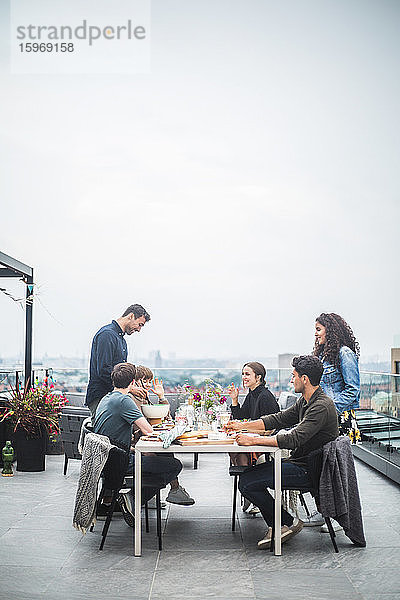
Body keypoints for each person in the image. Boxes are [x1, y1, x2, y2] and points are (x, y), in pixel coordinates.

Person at [225, 355, 339, 550]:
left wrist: (254, 439)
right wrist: (242, 425)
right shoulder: (306, 401)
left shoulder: (320, 406)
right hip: (300, 463)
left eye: (293, 376)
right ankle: (285, 522)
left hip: (309, 470)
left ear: (304, 379)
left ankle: (282, 524)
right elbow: (277, 419)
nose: (291, 380)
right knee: (246, 477)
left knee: (247, 482)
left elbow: (294, 438)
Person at [93, 362, 183, 525]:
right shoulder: (124, 401)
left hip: (107, 459)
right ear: (133, 383)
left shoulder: (107, 398)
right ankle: (132, 498)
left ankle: (133, 499)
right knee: (174, 465)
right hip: (119, 462)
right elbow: (149, 430)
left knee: (159, 461)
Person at [306, 312, 361, 532]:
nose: (316, 333)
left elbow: (353, 391)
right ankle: (325, 511)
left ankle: (339, 518)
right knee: (322, 467)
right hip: (324, 419)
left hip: (339, 419)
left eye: (319, 329)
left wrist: (329, 410)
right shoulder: (323, 356)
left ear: (331, 329)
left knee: (337, 470)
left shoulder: (344, 354)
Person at [132, 365, 195, 506]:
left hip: (145, 441)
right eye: (144, 381)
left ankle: (164, 492)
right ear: (134, 382)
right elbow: (142, 427)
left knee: (166, 451)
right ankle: (158, 493)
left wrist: (161, 397)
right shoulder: (132, 399)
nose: (148, 385)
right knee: (168, 458)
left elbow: (165, 417)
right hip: (138, 446)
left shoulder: (143, 397)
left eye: (150, 381)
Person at [227, 362, 279, 514]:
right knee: (233, 450)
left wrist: (247, 431)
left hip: (267, 443)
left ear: (259, 377)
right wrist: (235, 400)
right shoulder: (252, 394)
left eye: (247, 374)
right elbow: (242, 417)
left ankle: (251, 491)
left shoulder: (265, 397)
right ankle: (249, 490)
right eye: (243, 374)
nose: (244, 377)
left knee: (240, 452)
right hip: (256, 438)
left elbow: (271, 428)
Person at [85, 304, 150, 417]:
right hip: (101, 397)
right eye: (140, 325)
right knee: (104, 434)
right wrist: (129, 388)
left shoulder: (121, 340)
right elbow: (104, 371)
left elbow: (121, 373)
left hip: (112, 397)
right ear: (131, 316)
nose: (139, 330)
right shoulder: (107, 335)